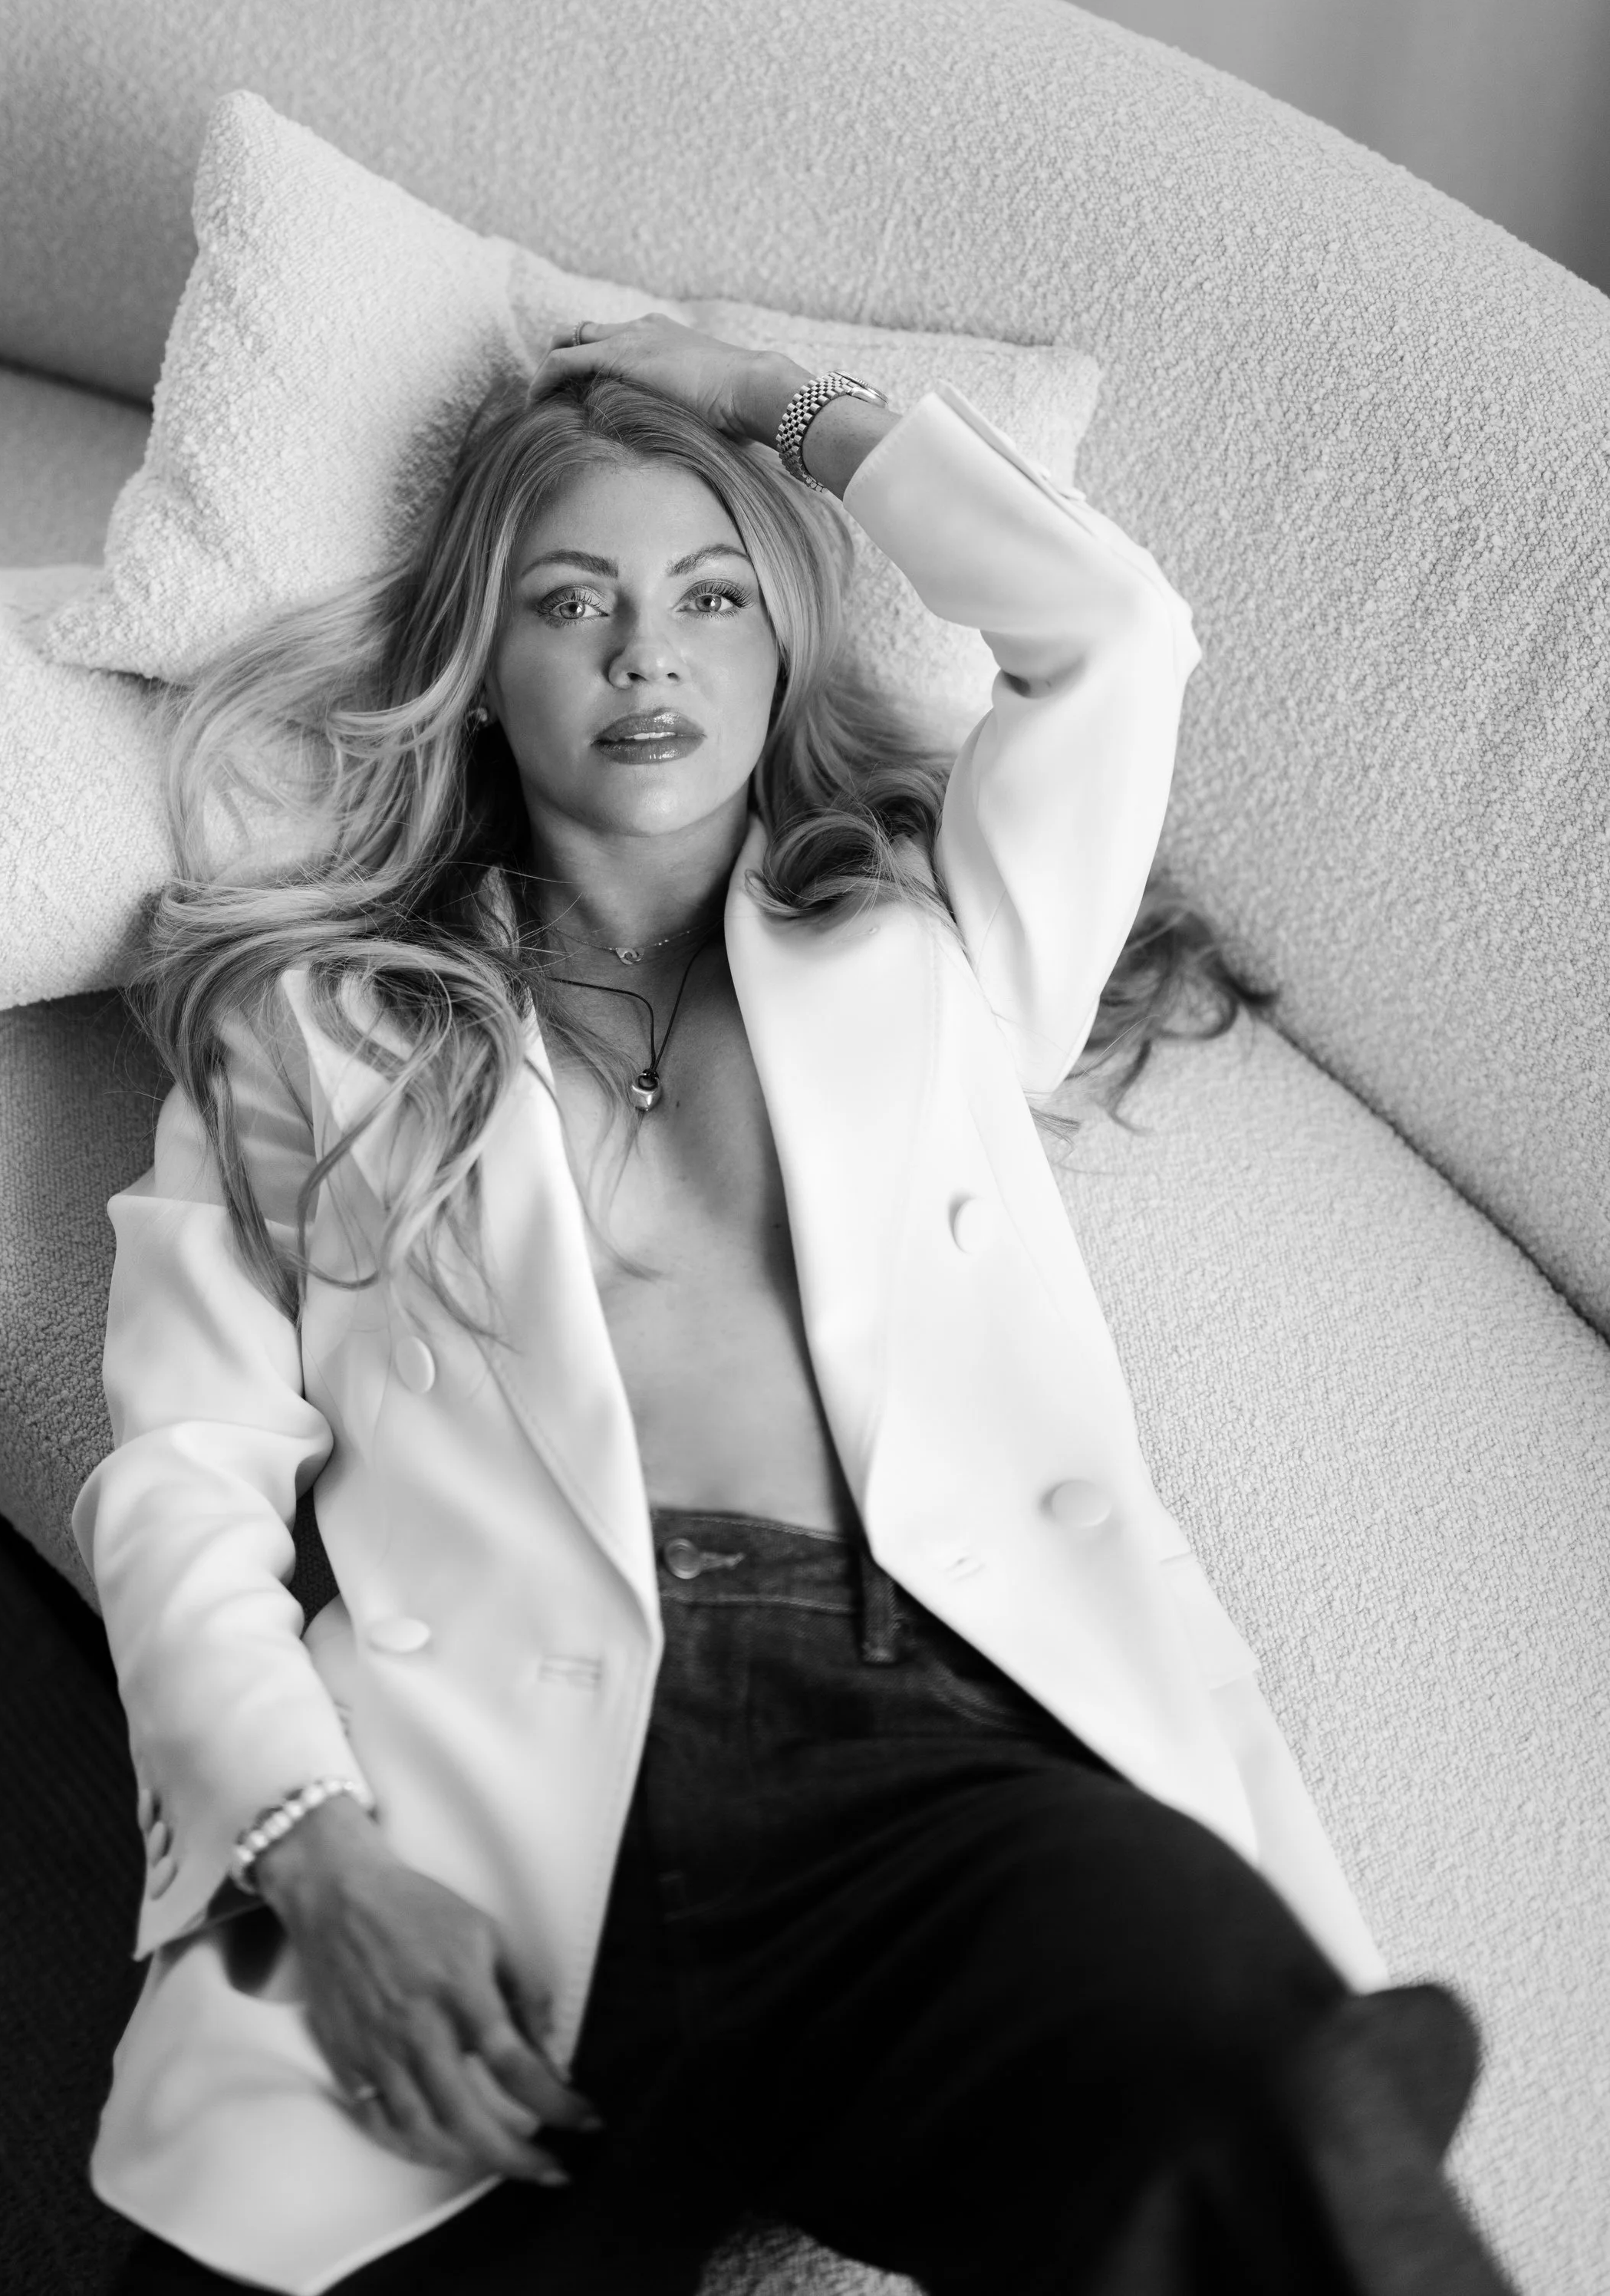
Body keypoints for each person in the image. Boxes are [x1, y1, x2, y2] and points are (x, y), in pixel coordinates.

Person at [77, 318, 1516, 2295]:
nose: (646, 654)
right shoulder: (315, 1032)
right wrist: (305, 1857)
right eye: (569, 602)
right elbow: (183, 1477)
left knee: (1243, 2070)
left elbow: (1112, 637)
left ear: (779, 652)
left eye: (713, 595)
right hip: (480, 1811)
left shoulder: (927, 952)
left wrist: (773, 402)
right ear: (483, 679)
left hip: (926, 1774)